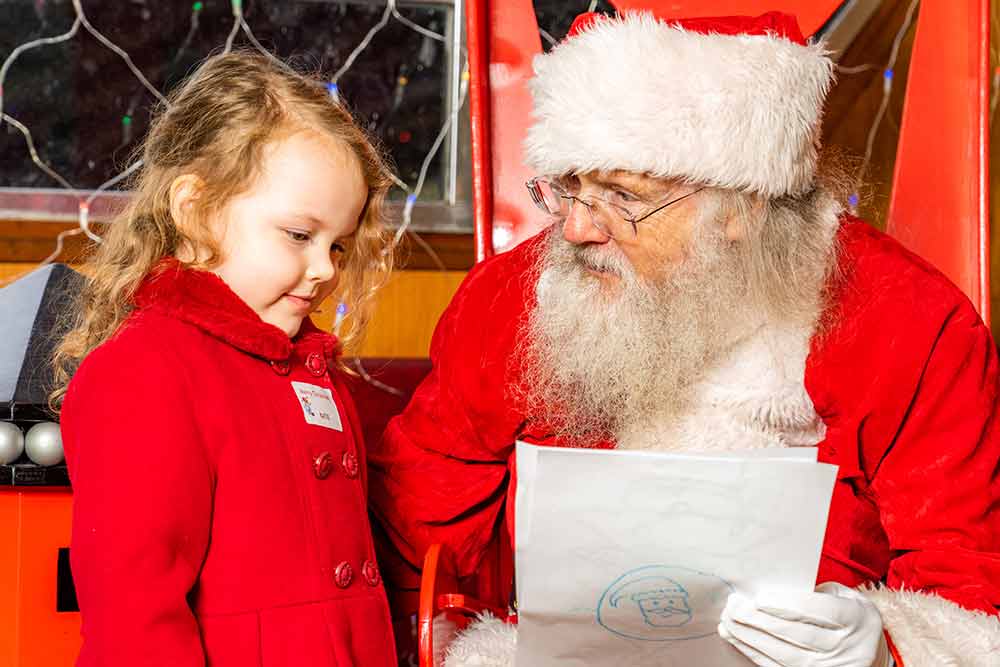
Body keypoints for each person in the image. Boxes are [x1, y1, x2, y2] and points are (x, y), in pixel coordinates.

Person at [368, 10, 1000, 667]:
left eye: (622, 195)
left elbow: (967, 590)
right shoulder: (516, 298)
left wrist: (887, 649)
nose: (578, 229)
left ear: (742, 206)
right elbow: (412, 536)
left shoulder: (909, 321)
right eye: (569, 187)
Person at [53, 52, 397, 667]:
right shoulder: (145, 370)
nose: (324, 269)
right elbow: (136, 626)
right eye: (299, 235)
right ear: (194, 208)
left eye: (338, 245)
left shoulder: (306, 364)